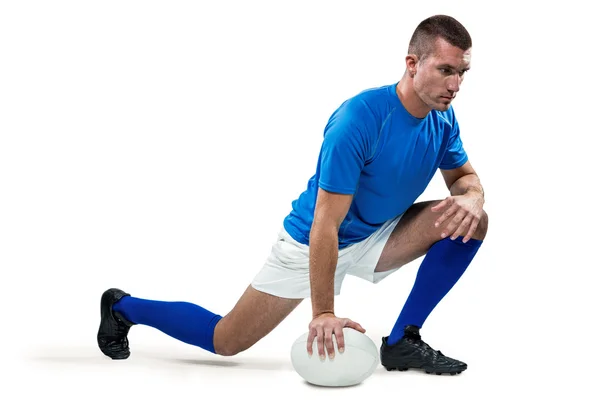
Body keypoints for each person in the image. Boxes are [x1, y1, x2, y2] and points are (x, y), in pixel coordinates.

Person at [97, 14, 488, 376]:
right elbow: (325, 223)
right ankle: (122, 307)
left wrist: (473, 195)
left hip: (376, 234)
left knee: (474, 221)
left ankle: (403, 339)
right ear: (412, 63)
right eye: (446, 71)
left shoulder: (442, 117)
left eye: (462, 73)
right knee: (226, 340)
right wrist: (324, 313)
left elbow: (464, 177)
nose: (455, 86)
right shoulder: (360, 119)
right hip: (312, 242)